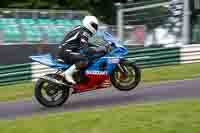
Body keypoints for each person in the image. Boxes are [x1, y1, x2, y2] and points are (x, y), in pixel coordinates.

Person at [57, 16, 108, 84]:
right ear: (88, 23)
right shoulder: (85, 32)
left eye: (96, 26)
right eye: (94, 25)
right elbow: (86, 50)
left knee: (86, 57)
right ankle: (68, 74)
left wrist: (98, 46)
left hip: (65, 51)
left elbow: (85, 43)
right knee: (84, 59)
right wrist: (101, 49)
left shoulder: (81, 28)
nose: (95, 28)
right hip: (67, 52)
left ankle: (79, 76)